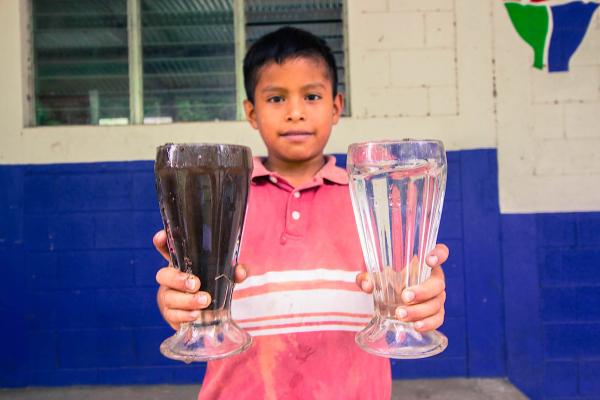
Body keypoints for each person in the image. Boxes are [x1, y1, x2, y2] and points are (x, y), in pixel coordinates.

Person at [153, 26, 448, 399]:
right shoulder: (221, 202)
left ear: (337, 106)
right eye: (276, 99)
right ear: (251, 112)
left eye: (311, 96)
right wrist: (180, 302)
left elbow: (408, 284)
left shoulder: (372, 201)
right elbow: (190, 294)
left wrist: (422, 300)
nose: (295, 113)